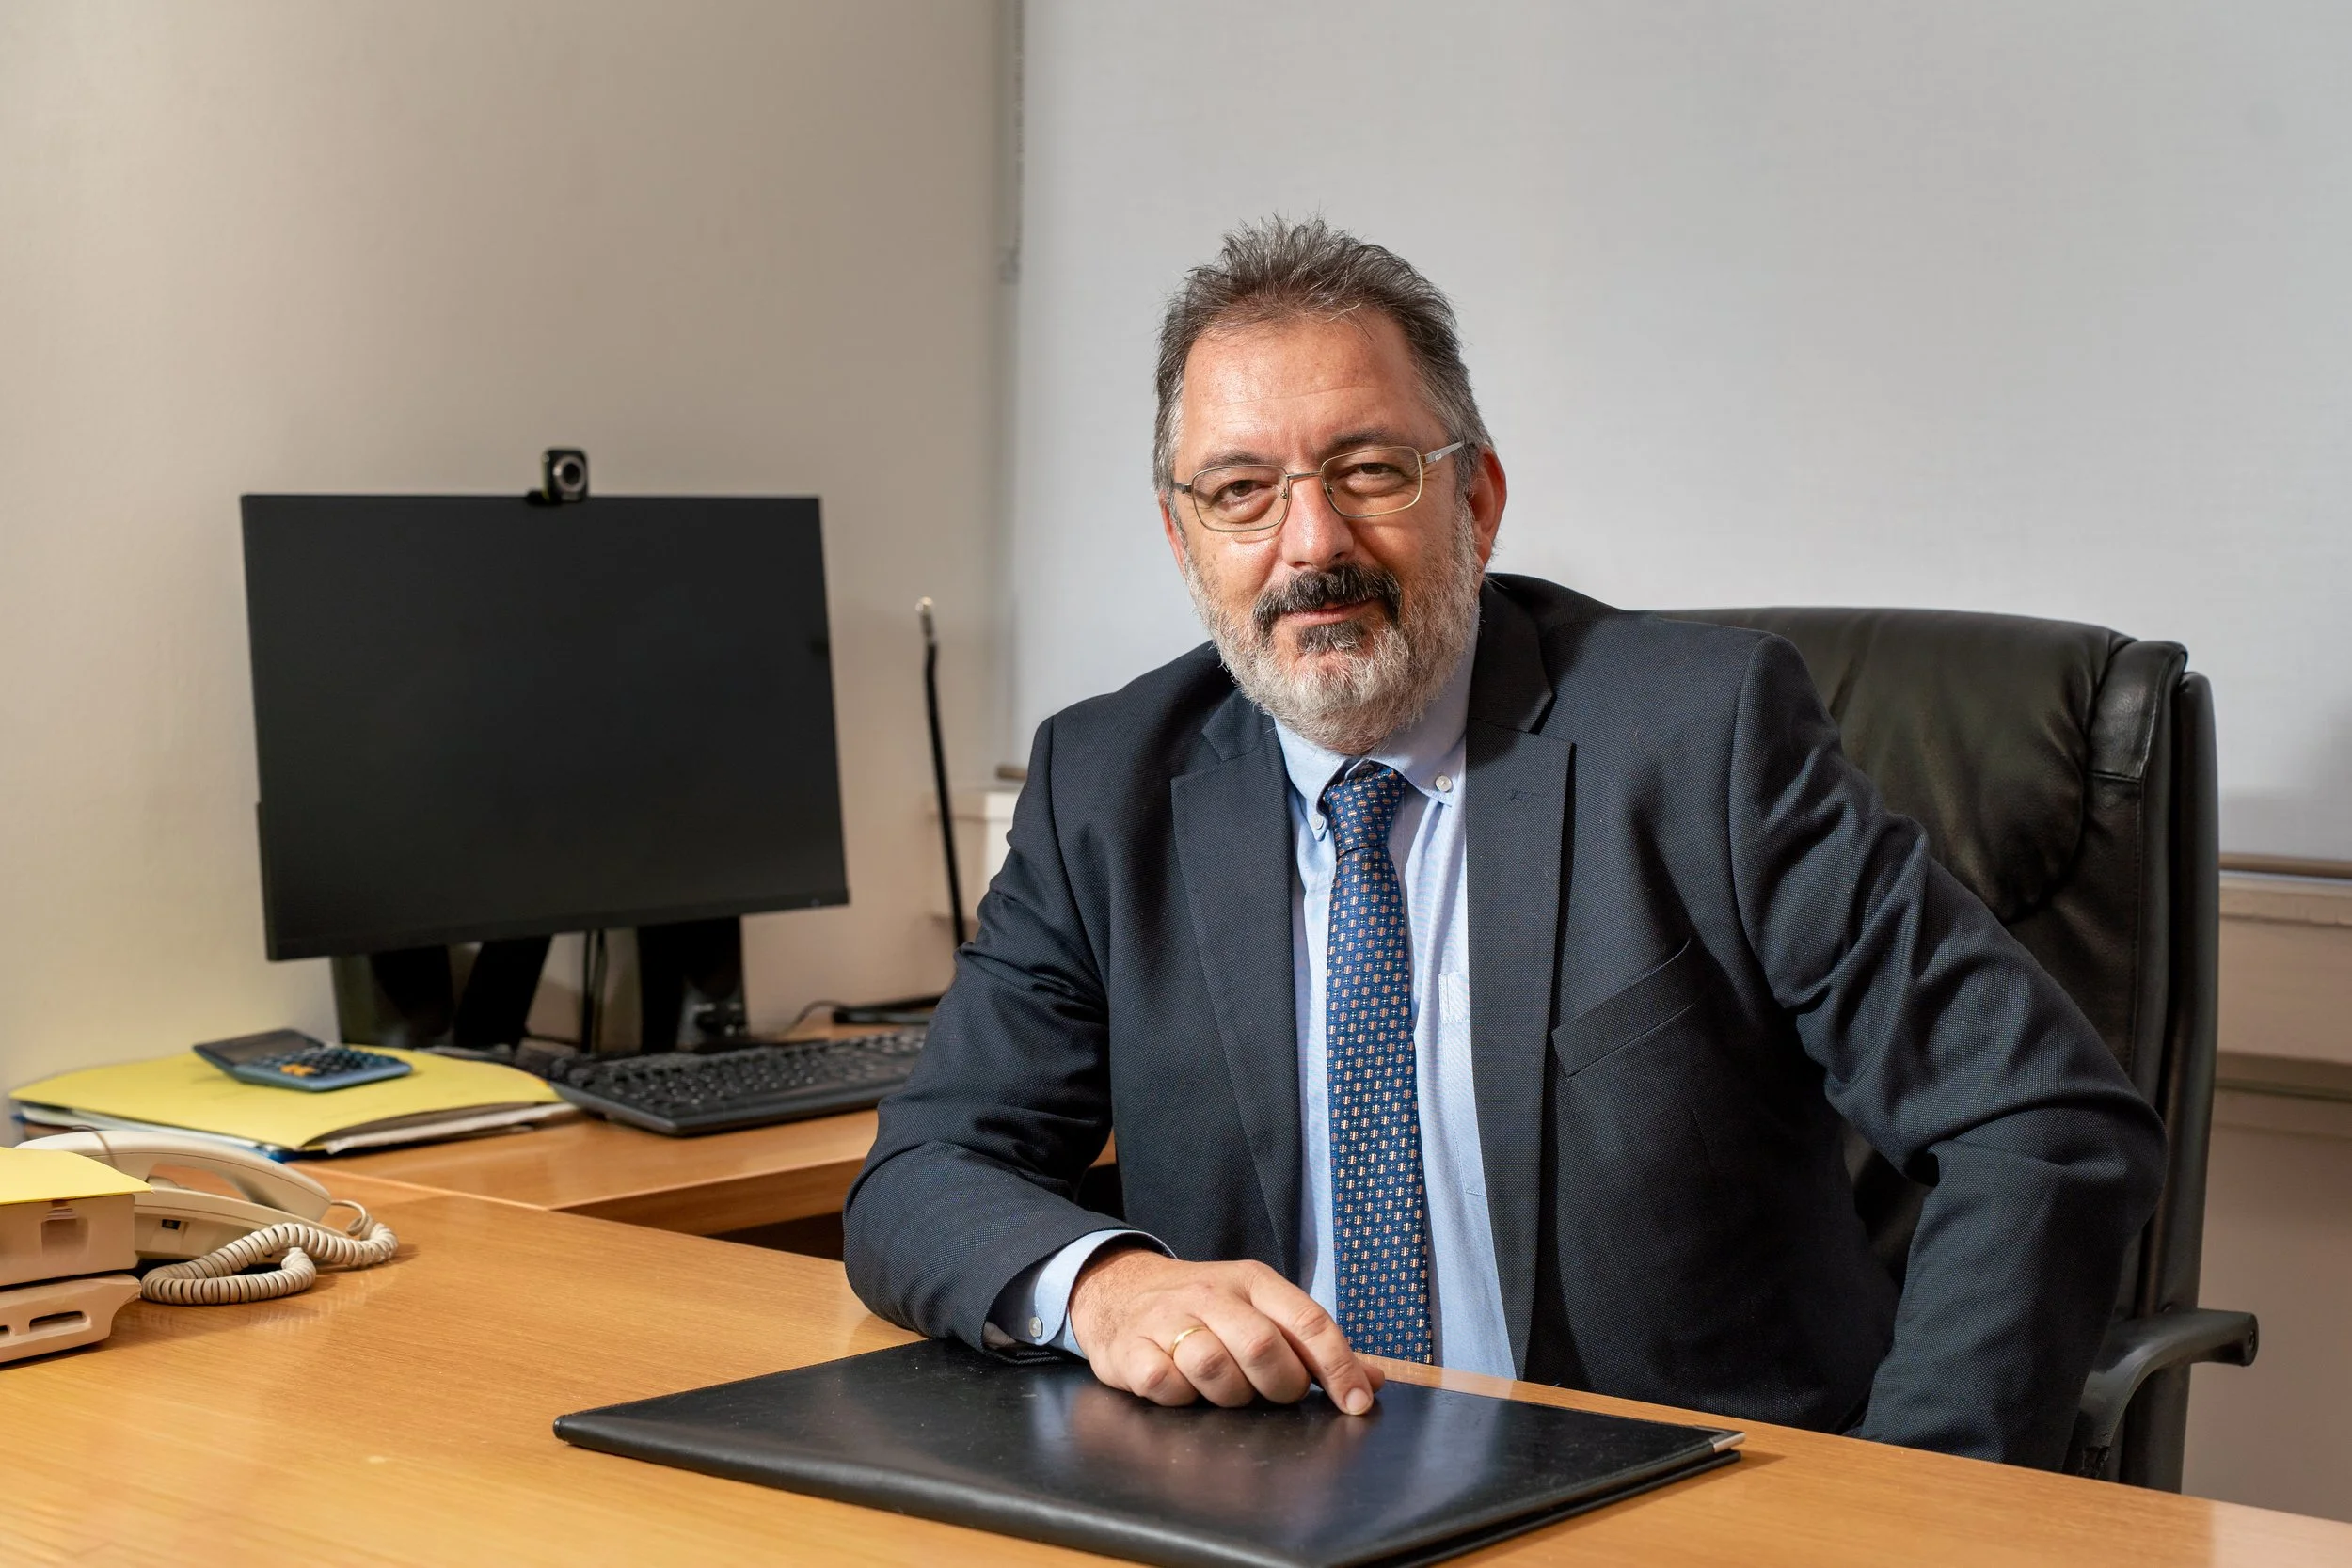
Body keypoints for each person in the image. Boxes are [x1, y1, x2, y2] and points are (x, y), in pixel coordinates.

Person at [844, 216, 2165, 1468]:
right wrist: (1110, 1288)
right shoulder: (1106, 785)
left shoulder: (1699, 738)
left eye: (1368, 470)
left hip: (1678, 1508)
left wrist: (1908, 1514)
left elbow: (2038, 1112)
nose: (1311, 543)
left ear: (1475, 496)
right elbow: (924, 1177)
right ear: (1184, 537)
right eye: (1242, 491)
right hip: (1267, 1505)